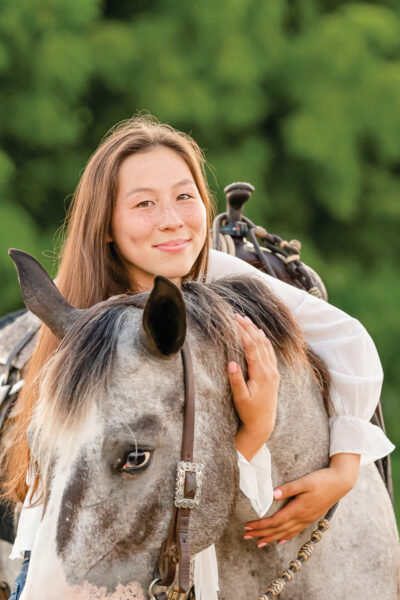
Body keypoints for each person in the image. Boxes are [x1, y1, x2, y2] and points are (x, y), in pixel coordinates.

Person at [1, 114, 394, 600]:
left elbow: (348, 337)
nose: (171, 218)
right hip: (81, 529)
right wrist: (251, 433)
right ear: (105, 224)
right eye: (144, 203)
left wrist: (344, 468)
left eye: (185, 197)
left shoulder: (214, 271)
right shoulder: (85, 320)